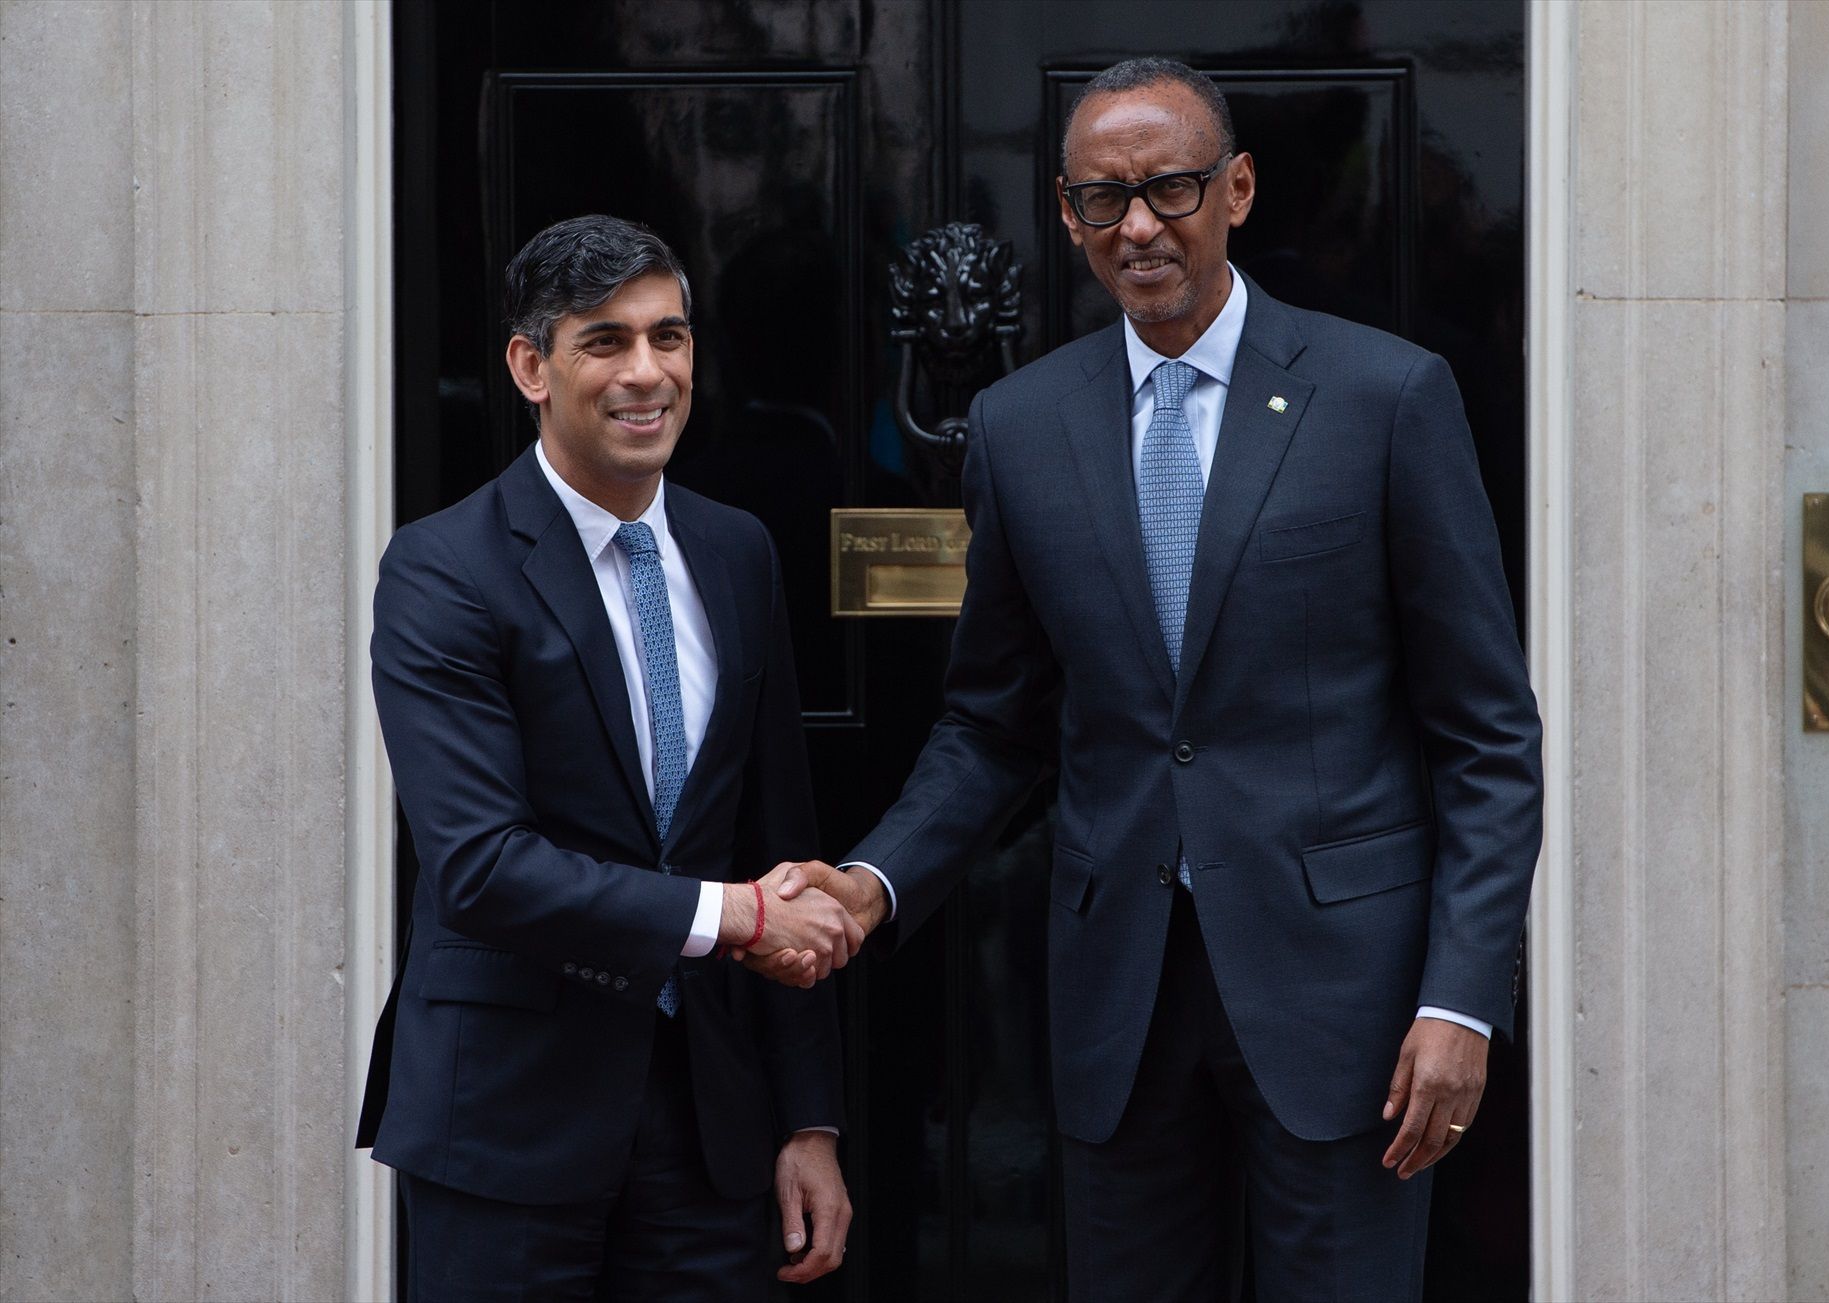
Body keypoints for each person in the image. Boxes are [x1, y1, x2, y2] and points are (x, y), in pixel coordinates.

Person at [766, 59, 1543, 1299]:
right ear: (1070, 218)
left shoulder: (1387, 396)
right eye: (1100, 200)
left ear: (1235, 189)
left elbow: (1488, 737)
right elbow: (993, 723)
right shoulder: (1024, 427)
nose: (1138, 226)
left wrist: (1463, 1000)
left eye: (1170, 188)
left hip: (1348, 1008)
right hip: (1119, 1002)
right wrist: (872, 881)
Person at [357, 215, 863, 1301]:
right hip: (508, 1122)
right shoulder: (442, 571)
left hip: (710, 1126)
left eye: (669, 337)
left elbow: (781, 836)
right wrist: (736, 916)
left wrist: (808, 1118)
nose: (649, 373)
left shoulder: (738, 550)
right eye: (607, 341)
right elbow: (484, 866)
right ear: (530, 366)